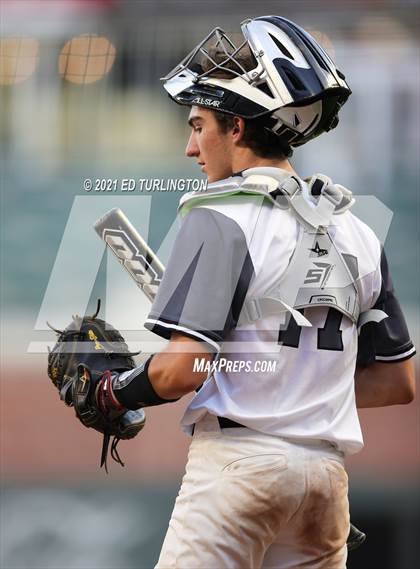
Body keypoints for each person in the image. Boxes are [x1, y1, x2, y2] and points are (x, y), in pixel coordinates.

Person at [94, 16, 416, 568]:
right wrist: (293, 387)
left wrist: (112, 392)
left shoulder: (219, 214)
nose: (190, 148)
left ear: (237, 128)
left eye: (198, 126)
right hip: (325, 482)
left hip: (238, 471)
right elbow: (397, 382)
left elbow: (178, 371)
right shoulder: (358, 230)